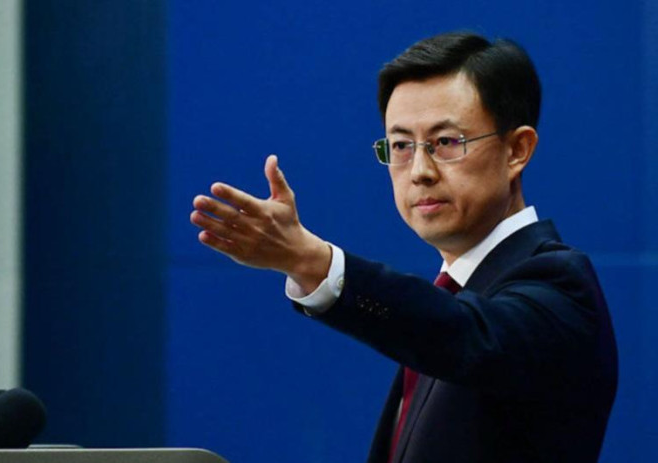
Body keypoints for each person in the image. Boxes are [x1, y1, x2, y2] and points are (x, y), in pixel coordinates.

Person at [189, 32, 617, 463]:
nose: (419, 171)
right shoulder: (453, 297)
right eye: (401, 146)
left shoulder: (560, 287)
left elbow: (461, 333)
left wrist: (310, 261)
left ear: (517, 150)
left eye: (446, 142)